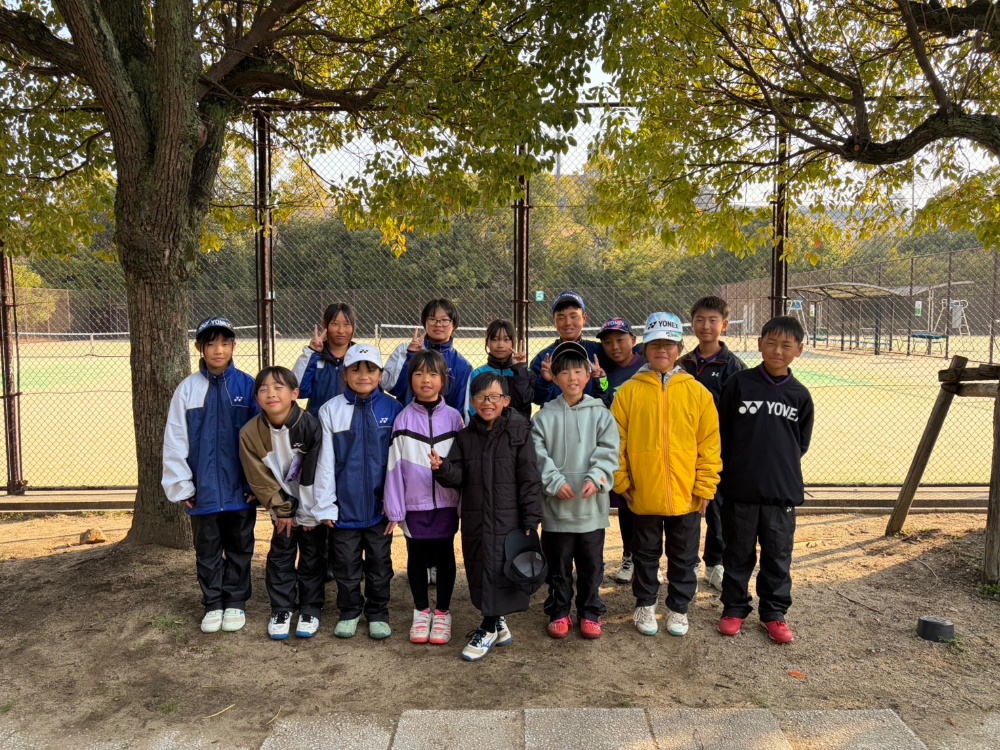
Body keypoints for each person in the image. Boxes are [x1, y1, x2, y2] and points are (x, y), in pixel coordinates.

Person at [611, 312, 721, 638]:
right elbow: (614, 442)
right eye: (655, 344)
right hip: (643, 492)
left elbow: (709, 444)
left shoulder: (697, 392)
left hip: (686, 494)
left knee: (684, 556)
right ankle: (645, 603)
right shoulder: (628, 392)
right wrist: (622, 481)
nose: (662, 350)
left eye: (669, 344)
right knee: (645, 554)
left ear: (679, 349)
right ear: (645, 348)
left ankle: (678, 607)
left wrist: (705, 486)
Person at [430, 372, 543, 662]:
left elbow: (530, 478)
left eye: (494, 397)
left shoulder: (519, 432)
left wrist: (531, 518)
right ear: (472, 402)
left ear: (506, 400)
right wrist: (442, 468)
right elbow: (460, 476)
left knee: (501, 569)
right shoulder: (466, 436)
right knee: (481, 568)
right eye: (480, 397)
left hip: (509, 518)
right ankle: (497, 621)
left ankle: (489, 627)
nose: (487, 402)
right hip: (476, 516)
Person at [717, 316, 814, 644]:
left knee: (777, 556)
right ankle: (734, 608)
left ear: (798, 350)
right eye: (771, 343)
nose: (777, 350)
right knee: (737, 553)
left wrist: (776, 467)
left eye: (786, 345)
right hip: (740, 490)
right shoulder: (740, 384)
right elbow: (723, 432)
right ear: (759, 344)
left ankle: (774, 613)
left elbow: (800, 444)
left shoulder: (800, 395)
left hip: (780, 493)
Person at [162, 316, 258, 634]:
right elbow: (175, 439)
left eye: (225, 343)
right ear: (200, 348)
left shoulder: (248, 386)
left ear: (234, 346)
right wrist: (183, 486)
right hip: (202, 491)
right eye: (211, 343)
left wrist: (256, 484)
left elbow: (263, 441)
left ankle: (236, 601)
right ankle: (213, 603)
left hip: (240, 490)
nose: (218, 350)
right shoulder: (187, 390)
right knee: (207, 549)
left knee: (240, 547)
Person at [311, 344, 403, 640]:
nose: (363, 375)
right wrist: (325, 504)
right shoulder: (330, 410)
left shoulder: (393, 409)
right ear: (345, 374)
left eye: (371, 369)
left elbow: (398, 462)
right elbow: (325, 463)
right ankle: (349, 611)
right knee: (346, 565)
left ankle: (378, 613)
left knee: (380, 565)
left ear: (381, 374)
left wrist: (395, 503)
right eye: (356, 369)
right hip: (344, 510)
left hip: (380, 510)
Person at [531, 341, 620, 640]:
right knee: (558, 564)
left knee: (591, 565)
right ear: (555, 378)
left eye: (578, 371)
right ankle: (559, 610)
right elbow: (537, 455)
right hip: (557, 510)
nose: (572, 378)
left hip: (590, 508)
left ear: (588, 375)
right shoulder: (544, 417)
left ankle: (590, 611)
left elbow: (609, 450)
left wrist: (597, 477)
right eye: (565, 372)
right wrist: (554, 482)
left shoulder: (601, 414)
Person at [383, 350, 465, 645]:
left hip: (446, 503)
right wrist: (395, 510)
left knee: (445, 555)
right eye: (418, 374)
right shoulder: (403, 419)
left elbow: (463, 465)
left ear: (444, 380)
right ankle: (421, 611)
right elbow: (393, 467)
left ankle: (442, 613)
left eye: (432, 374)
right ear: (410, 380)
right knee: (416, 557)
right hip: (414, 505)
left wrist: (462, 503)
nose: (425, 380)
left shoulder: (455, 418)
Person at [239, 366, 324, 640]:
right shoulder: (250, 433)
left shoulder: (310, 426)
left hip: (312, 507)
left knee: (312, 557)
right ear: (256, 398)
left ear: (295, 394)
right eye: (263, 389)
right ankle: (282, 608)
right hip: (281, 508)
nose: (271, 394)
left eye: (278, 388)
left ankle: (310, 608)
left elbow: (317, 471)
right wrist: (282, 510)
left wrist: (309, 513)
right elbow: (259, 477)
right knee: (281, 556)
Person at [679, 296, 746, 592]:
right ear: (692, 323)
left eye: (712, 320)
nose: (706, 326)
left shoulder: (735, 368)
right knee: (686, 511)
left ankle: (715, 563)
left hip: (717, 453)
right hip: (682, 452)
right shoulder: (682, 364)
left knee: (717, 510)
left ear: (725, 325)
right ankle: (688, 564)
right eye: (700, 320)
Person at [594, 317, 646, 585]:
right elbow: (603, 403)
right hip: (617, 450)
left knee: (648, 505)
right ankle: (629, 555)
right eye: (608, 342)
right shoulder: (604, 371)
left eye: (620, 340)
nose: (615, 347)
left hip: (645, 446)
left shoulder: (647, 366)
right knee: (625, 504)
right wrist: (602, 382)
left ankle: (648, 558)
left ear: (633, 341)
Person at [383, 298, 473, 413]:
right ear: (424, 322)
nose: (438, 324)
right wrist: (411, 357)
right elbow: (394, 390)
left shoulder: (462, 366)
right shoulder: (404, 351)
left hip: (444, 424)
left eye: (444, 320)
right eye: (432, 319)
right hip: (407, 421)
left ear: (454, 324)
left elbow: (459, 409)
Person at [529, 291, 606, 406]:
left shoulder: (600, 352)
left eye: (573, 316)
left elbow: (607, 392)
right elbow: (536, 399)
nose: (568, 323)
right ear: (554, 321)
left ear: (584, 318)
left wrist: (602, 380)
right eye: (561, 318)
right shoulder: (543, 359)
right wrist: (546, 381)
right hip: (556, 416)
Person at [292, 302, 357, 416]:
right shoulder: (314, 357)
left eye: (347, 324)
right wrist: (312, 352)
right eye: (335, 324)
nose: (341, 330)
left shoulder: (360, 358)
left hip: (352, 423)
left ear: (353, 328)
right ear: (325, 325)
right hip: (318, 422)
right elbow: (298, 389)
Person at [466, 319, 534, 421]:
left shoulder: (524, 372)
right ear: (487, 342)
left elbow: (526, 400)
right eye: (494, 339)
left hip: (518, 428)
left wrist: (520, 369)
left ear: (514, 343)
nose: (500, 345)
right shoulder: (478, 374)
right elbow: (471, 410)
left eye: (506, 340)